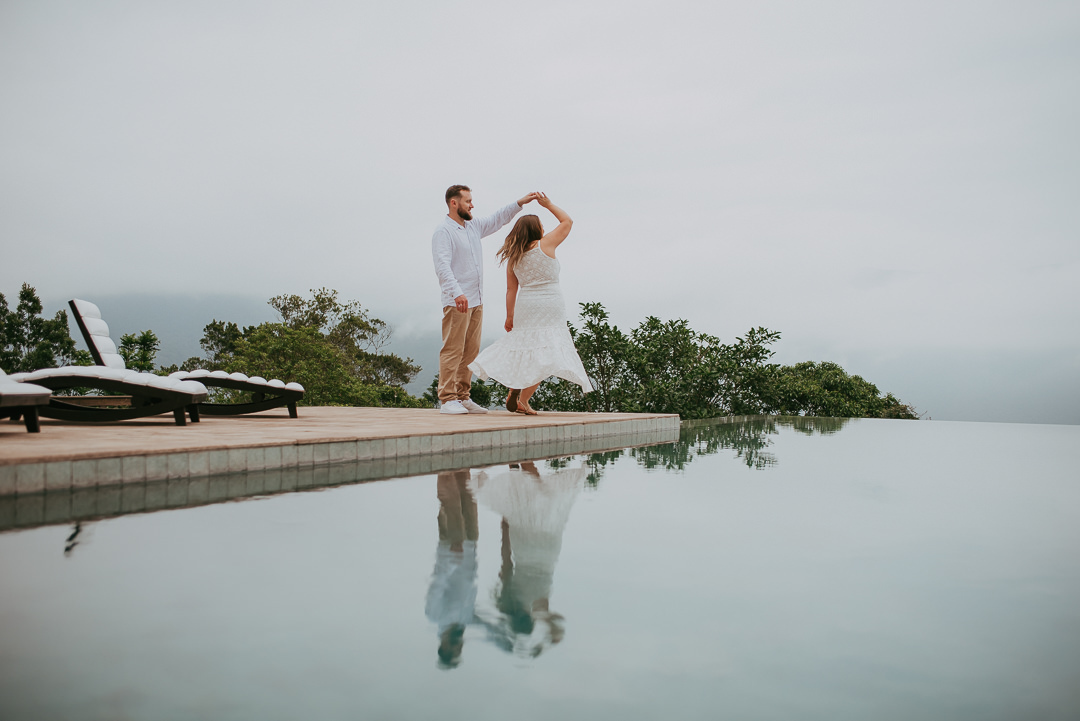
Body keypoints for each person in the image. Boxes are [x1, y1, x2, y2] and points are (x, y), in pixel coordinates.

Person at [468, 193, 592, 415]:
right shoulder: (546, 244)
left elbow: (511, 290)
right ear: (537, 229)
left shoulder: (514, 256)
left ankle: (517, 389)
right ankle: (523, 399)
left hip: (526, 305)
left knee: (526, 350)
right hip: (550, 304)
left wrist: (509, 316)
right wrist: (549, 204)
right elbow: (567, 222)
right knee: (547, 355)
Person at [432, 185, 540, 415]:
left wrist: (519, 203)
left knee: (471, 351)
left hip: (476, 300)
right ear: (454, 203)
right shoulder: (443, 231)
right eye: (468, 201)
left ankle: (462, 397)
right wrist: (457, 292)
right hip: (457, 301)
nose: (472, 205)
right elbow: (442, 266)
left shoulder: (473, 227)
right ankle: (448, 399)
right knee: (453, 349)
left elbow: (497, 219)